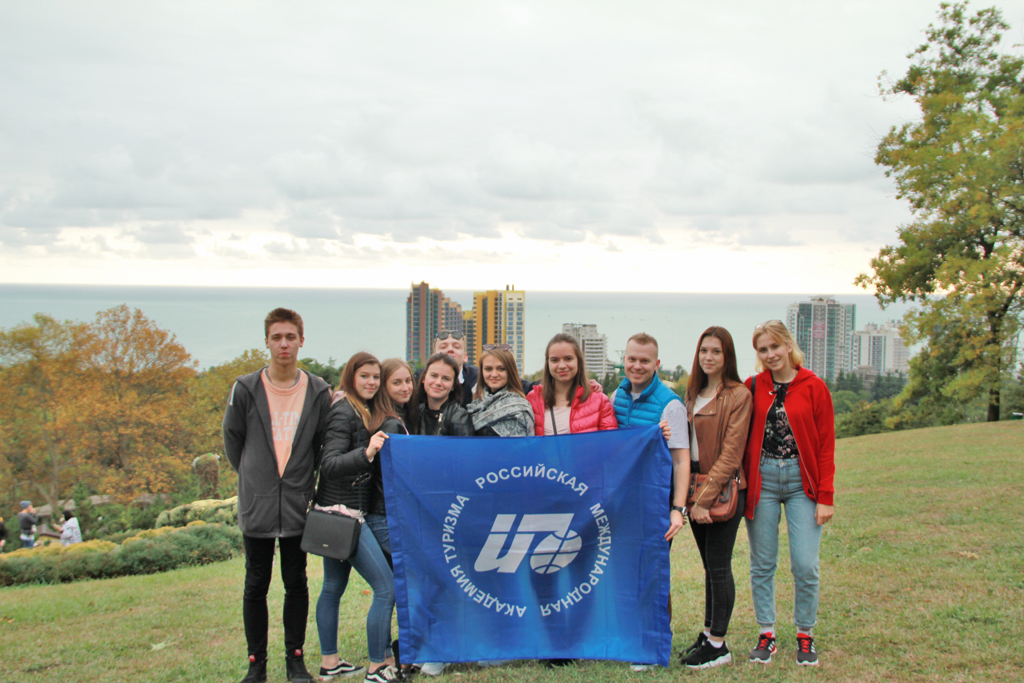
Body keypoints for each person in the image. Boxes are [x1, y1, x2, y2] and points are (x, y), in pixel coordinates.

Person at [223, 308, 333, 683]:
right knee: (255, 583)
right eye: (276, 338)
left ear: (301, 340)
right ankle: (256, 665)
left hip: (298, 503)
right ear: (267, 342)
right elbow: (233, 441)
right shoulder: (245, 388)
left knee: (296, 582)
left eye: (290, 337)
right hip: (258, 503)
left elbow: (321, 444)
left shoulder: (317, 390)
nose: (283, 344)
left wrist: (299, 479)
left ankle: (295, 661)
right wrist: (255, 476)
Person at [744, 320, 835, 667]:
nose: (770, 354)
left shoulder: (814, 386)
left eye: (774, 347)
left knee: (805, 564)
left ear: (788, 345)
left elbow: (826, 445)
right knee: (762, 563)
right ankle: (766, 633)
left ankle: (805, 633)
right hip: (763, 481)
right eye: (763, 350)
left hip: (802, 483)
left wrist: (825, 496)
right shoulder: (754, 386)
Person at [315, 352, 403, 683]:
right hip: (345, 515)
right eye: (364, 376)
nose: (371, 382)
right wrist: (366, 452)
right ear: (351, 377)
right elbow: (329, 465)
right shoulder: (343, 411)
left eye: (376, 377)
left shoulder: (358, 408)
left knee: (333, 587)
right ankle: (378, 667)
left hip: (335, 512)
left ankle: (329, 662)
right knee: (386, 588)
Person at [608, 332, 689, 671]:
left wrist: (678, 509)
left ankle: (653, 642)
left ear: (657, 364)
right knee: (626, 571)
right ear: (624, 361)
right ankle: (633, 636)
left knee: (652, 572)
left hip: (655, 502)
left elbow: (681, 460)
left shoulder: (670, 405)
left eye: (644, 361)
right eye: (631, 359)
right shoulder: (616, 396)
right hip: (623, 501)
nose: (637, 366)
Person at [679, 327, 752, 669]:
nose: (708, 357)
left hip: (722, 491)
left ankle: (719, 646)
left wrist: (705, 500)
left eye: (716, 352)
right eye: (704, 351)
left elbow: (731, 453)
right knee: (709, 568)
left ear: (727, 357)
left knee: (720, 568)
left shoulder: (738, 395)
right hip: (696, 489)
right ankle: (708, 634)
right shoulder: (693, 392)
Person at [526, 333, 617, 435]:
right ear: (548, 364)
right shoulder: (532, 399)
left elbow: (611, 441)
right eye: (555, 360)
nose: (562, 366)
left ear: (578, 360)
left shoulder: (600, 401)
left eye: (568, 359)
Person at [466, 345, 535, 437]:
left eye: (501, 369)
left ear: (510, 371)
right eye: (488, 369)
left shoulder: (519, 408)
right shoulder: (475, 403)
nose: (494, 374)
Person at [412, 353, 474, 437]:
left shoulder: (459, 417)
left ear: (453, 385)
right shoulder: (416, 413)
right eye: (434, 376)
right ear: (423, 378)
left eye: (446, 378)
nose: (438, 383)